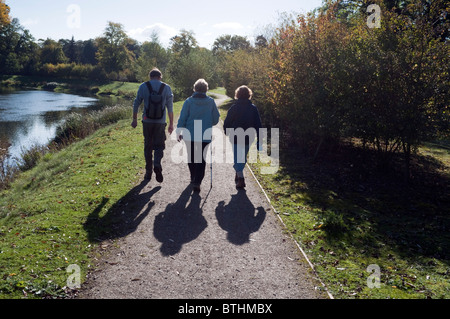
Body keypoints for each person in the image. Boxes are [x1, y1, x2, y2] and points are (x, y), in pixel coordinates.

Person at [176, 79, 220, 192]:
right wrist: (209, 122)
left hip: (189, 133)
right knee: (201, 158)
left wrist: (179, 131)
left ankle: (193, 176)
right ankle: (197, 181)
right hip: (204, 133)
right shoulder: (210, 102)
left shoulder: (189, 101)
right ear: (206, 89)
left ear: (195, 88)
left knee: (191, 156)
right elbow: (216, 119)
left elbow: (183, 117)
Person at [132, 68, 174, 182]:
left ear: (150, 76)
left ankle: (148, 173)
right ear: (160, 76)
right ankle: (157, 164)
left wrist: (134, 119)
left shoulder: (143, 86)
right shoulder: (166, 87)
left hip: (147, 121)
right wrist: (171, 124)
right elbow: (170, 107)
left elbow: (136, 103)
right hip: (160, 122)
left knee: (148, 146)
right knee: (159, 145)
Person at [223, 85, 262, 189]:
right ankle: (239, 172)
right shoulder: (253, 108)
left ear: (237, 95)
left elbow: (227, 121)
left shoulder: (234, 108)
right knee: (242, 157)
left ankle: (241, 179)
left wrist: (226, 130)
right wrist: (259, 139)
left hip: (236, 136)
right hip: (249, 137)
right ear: (249, 95)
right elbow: (258, 124)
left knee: (237, 158)